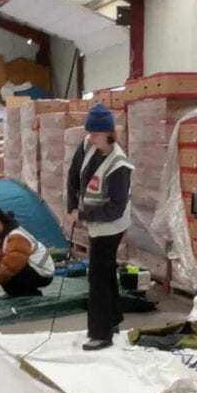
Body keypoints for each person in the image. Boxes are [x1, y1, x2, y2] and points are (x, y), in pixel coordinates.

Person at [66, 103, 133, 351]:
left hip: (111, 225)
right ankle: (113, 319)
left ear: (108, 134)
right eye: (90, 134)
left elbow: (115, 208)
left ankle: (101, 333)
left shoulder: (119, 165)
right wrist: (72, 207)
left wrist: (82, 215)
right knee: (104, 272)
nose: (90, 138)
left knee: (99, 277)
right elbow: (73, 175)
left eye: (95, 134)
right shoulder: (87, 146)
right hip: (94, 220)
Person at [0, 205, 54, 298]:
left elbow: (10, 267)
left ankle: (30, 294)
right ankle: (15, 292)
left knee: (10, 271)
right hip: (26, 267)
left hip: (41, 272)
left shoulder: (17, 236)